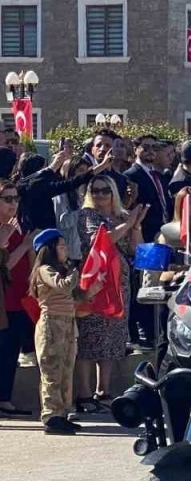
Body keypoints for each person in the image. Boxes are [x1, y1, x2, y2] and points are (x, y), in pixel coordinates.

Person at [73, 176, 146, 415]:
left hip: (119, 283)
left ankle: (103, 390)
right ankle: (84, 394)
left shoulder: (124, 215)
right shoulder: (87, 215)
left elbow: (136, 248)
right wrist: (127, 225)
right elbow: (98, 241)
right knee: (88, 338)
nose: (100, 195)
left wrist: (135, 226)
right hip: (95, 282)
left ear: (113, 192)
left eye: (106, 191)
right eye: (95, 191)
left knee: (112, 337)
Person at [29, 228, 100, 434]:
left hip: (67, 323)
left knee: (66, 370)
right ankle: (51, 416)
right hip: (52, 324)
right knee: (52, 371)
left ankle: (62, 412)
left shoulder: (63, 270)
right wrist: (77, 271)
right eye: (61, 246)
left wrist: (89, 292)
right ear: (50, 249)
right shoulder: (46, 270)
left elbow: (72, 298)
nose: (66, 250)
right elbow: (63, 286)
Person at [0, 179, 36, 415]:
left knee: (11, 351)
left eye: (16, 198)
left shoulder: (17, 223)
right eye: (7, 199)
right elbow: (5, 266)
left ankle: (5, 398)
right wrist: (23, 245)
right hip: (4, 299)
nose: (13, 203)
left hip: (20, 295)